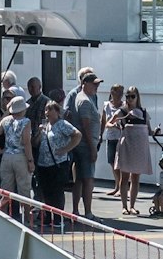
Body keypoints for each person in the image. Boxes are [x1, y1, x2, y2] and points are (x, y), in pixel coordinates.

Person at [111, 87, 154, 214]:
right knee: (124, 177)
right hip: (127, 146)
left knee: (135, 177)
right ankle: (124, 206)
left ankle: (132, 206)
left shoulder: (144, 112)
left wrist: (155, 131)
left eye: (132, 96)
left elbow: (149, 130)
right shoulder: (122, 111)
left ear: (137, 97)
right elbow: (109, 123)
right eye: (127, 96)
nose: (129, 99)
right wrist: (115, 125)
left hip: (140, 147)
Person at [34, 99, 80, 213]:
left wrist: (66, 149)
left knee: (56, 193)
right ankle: (48, 216)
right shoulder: (45, 125)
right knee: (46, 192)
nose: (47, 112)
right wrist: (39, 133)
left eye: (50, 110)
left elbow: (77, 135)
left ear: (57, 112)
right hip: (43, 164)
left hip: (57, 164)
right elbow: (34, 143)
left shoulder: (62, 124)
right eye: (45, 110)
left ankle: (58, 218)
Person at [68, 69, 103, 217]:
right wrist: (92, 148)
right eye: (94, 84)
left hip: (82, 145)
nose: (97, 87)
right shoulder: (85, 101)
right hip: (85, 146)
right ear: (85, 84)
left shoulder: (86, 98)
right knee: (88, 180)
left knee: (80, 180)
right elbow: (86, 126)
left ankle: (76, 210)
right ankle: (88, 212)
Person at [0, 96, 35, 199]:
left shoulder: (5, 120)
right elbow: (26, 142)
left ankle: (3, 213)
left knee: (5, 191)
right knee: (24, 191)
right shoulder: (26, 121)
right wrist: (30, 161)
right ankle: (26, 215)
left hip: (7, 156)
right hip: (20, 157)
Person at [101, 83, 126, 172]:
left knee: (121, 162)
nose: (120, 95)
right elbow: (104, 122)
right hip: (111, 138)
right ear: (112, 92)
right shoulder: (107, 105)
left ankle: (120, 184)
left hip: (122, 138)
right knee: (112, 162)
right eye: (118, 92)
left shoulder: (125, 106)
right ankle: (118, 182)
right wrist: (100, 135)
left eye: (121, 93)